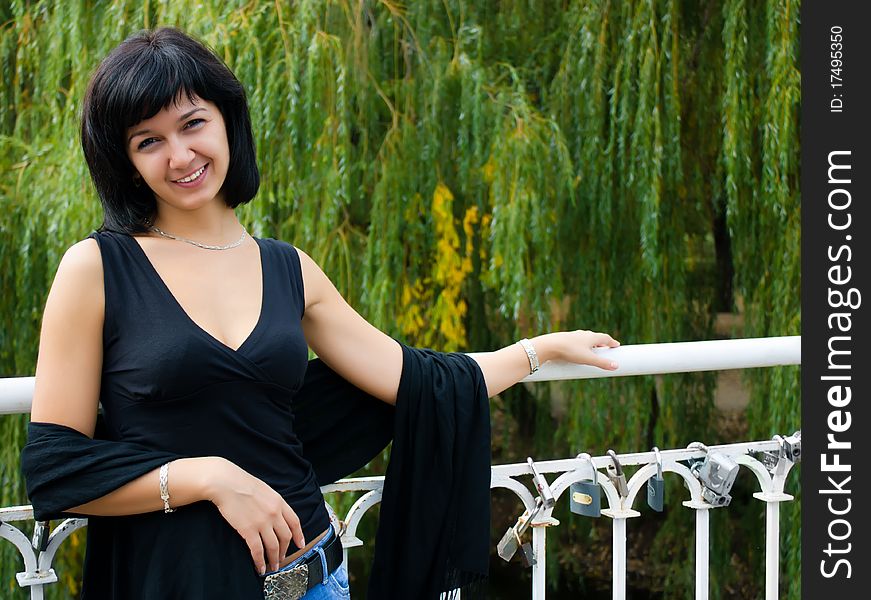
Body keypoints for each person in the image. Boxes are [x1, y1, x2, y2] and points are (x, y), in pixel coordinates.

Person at [22, 27, 619, 600]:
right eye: (148, 140)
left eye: (193, 123)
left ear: (229, 121)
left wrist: (538, 352)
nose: (180, 156)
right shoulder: (97, 268)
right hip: (176, 581)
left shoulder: (290, 269)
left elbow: (416, 381)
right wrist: (209, 478)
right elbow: (58, 468)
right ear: (126, 161)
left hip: (314, 580)